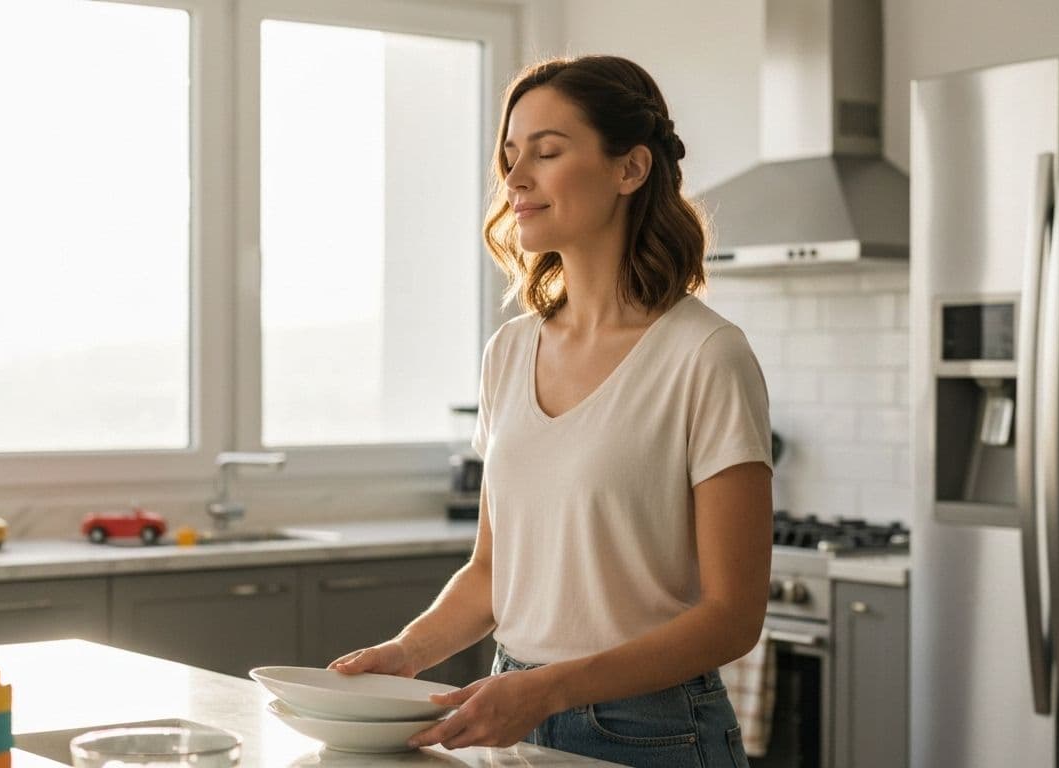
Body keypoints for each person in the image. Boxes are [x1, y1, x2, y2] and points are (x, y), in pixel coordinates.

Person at [329, 54, 773, 767]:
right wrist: (405, 654)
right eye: (510, 156)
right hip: (512, 719)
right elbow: (491, 572)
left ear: (629, 170)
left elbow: (732, 618)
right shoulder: (510, 350)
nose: (516, 179)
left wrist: (550, 690)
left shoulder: (706, 355)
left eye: (547, 151)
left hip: (656, 734)